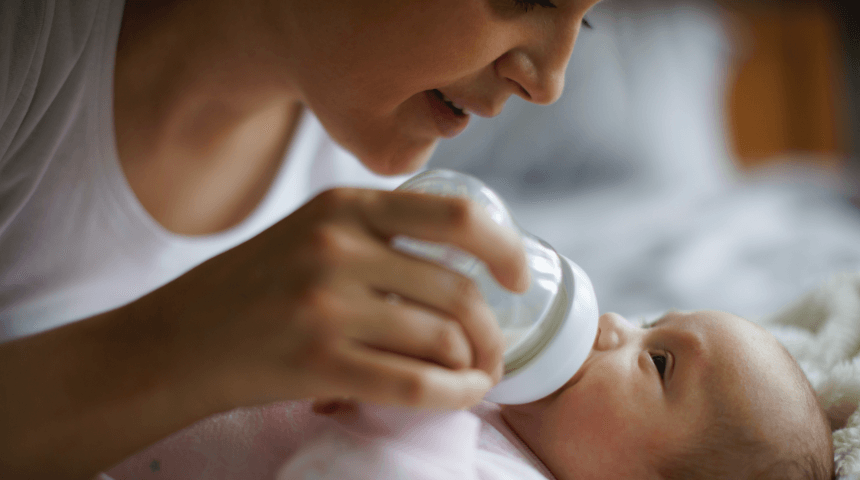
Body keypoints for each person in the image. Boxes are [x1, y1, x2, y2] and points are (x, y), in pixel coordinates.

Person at [0, 0, 603, 478]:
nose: (549, 83)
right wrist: (183, 346)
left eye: (588, 18)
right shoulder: (29, 44)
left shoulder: (361, 173)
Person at [102, 310, 835, 479]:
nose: (612, 321)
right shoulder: (511, 400)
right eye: (650, 320)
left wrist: (414, 405)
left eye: (661, 361)